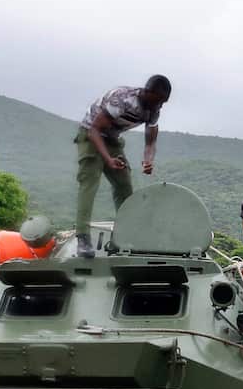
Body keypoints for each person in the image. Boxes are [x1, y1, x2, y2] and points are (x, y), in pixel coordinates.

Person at [74, 75, 172, 258]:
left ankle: (126, 237)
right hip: (91, 135)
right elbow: (95, 129)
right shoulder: (123, 99)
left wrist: (147, 160)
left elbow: (150, 142)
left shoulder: (153, 109)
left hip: (112, 139)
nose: (160, 105)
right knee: (90, 182)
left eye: (163, 102)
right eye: (158, 100)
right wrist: (108, 160)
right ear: (148, 92)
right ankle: (82, 238)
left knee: (124, 186)